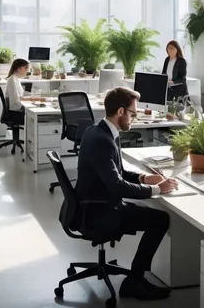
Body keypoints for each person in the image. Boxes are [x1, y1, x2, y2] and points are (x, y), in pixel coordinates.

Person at [75, 87, 178, 300]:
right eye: (133, 113)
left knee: (154, 217)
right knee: (160, 220)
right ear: (120, 111)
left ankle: (136, 278)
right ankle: (134, 281)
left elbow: (117, 172)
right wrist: (158, 189)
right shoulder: (103, 141)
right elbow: (118, 187)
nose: (134, 118)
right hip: (100, 211)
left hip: (94, 203)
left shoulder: (100, 130)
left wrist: (143, 178)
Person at [5, 58, 36, 125]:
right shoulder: (12, 80)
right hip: (15, 114)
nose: (27, 71)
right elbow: (16, 101)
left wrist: (32, 99)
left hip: (17, 111)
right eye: (25, 68)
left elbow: (21, 97)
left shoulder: (16, 79)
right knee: (36, 116)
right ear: (19, 68)